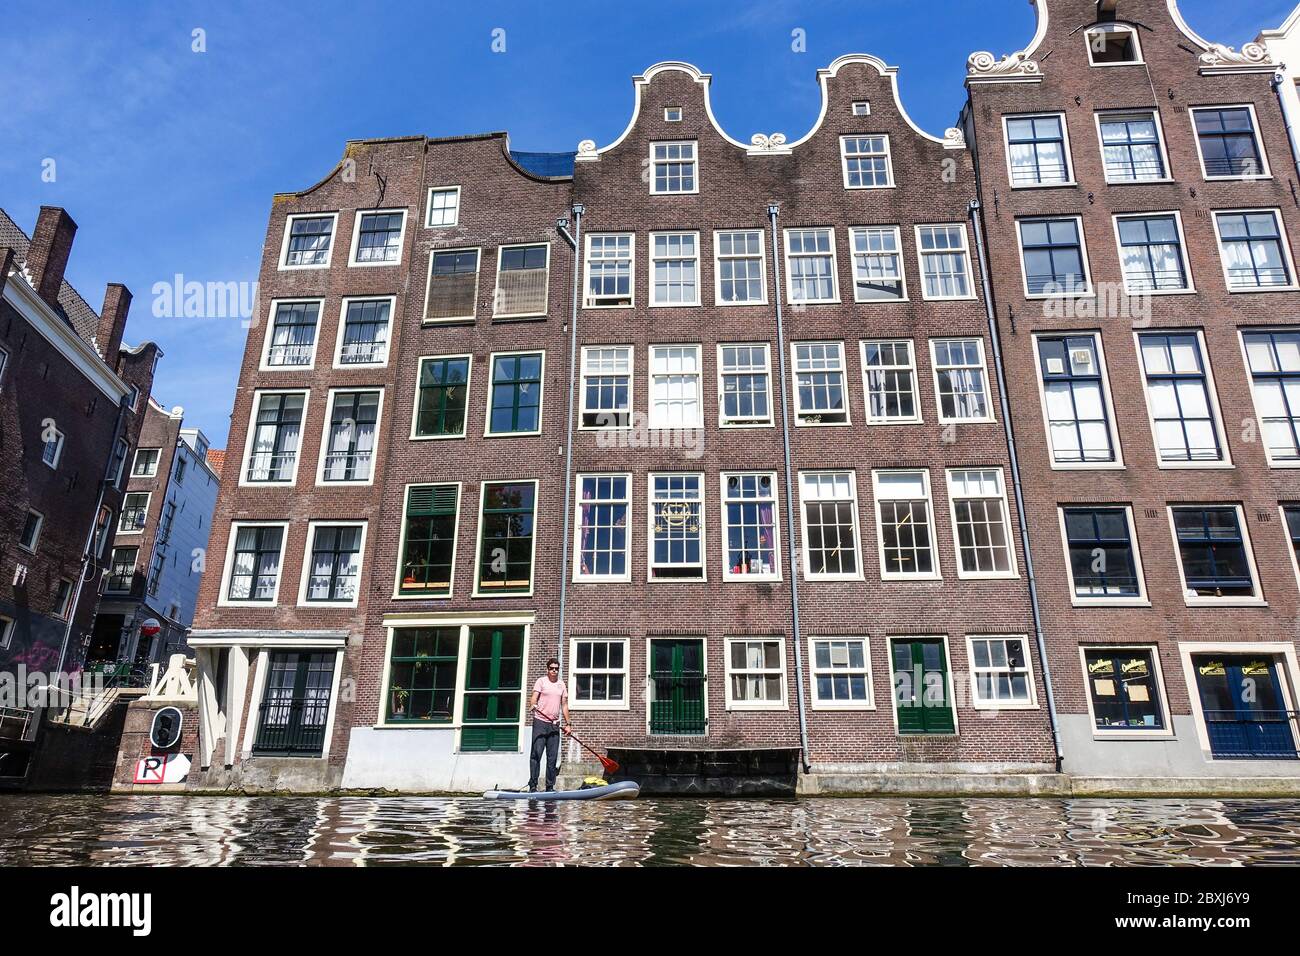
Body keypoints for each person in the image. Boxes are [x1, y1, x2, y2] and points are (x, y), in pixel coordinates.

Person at [527, 658, 570, 792]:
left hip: (554, 725)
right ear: (547, 669)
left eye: (556, 668)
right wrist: (533, 705)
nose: (554, 670)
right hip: (540, 722)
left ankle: (550, 787)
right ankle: (533, 786)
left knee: (552, 758)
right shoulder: (541, 681)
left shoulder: (561, 685)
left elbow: (564, 705)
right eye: (551, 668)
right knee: (536, 754)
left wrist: (568, 724)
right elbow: (534, 697)